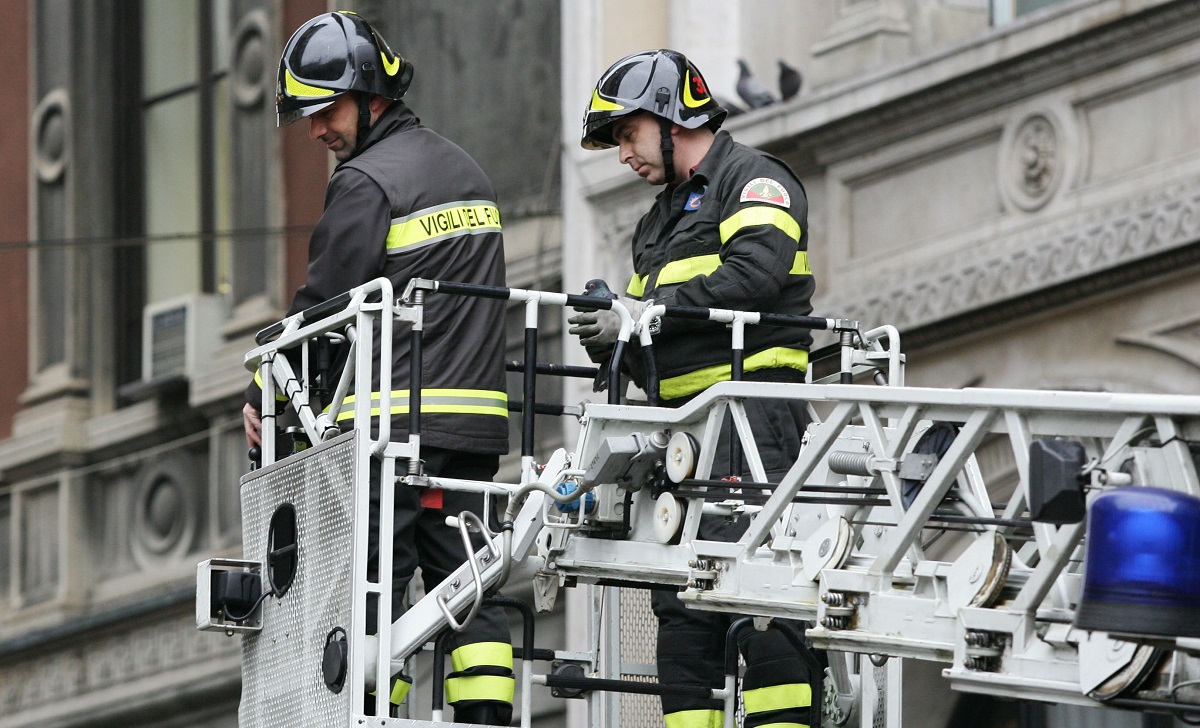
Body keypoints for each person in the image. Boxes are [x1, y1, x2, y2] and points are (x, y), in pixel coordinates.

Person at [242, 11, 513, 724]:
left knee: (366, 595)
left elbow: (322, 307)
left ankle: (369, 716)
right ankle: (486, 716)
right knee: (469, 589)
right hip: (472, 434)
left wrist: (264, 388)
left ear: (368, 98)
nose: (316, 131)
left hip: (388, 437)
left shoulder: (365, 183)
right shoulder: (468, 172)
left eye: (324, 111)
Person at [569, 49, 821, 728]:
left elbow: (756, 273)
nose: (623, 154)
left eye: (626, 134)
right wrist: (611, 342)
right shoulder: (656, 223)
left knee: (760, 601)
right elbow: (649, 332)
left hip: (751, 423)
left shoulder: (755, 180)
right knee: (680, 612)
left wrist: (650, 313)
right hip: (682, 435)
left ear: (670, 117)